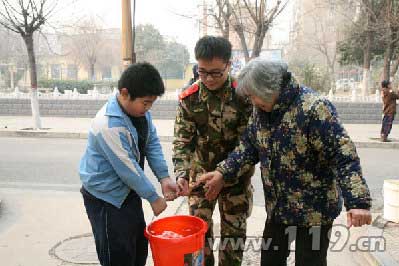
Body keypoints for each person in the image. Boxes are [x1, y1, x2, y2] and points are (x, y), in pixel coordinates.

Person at [199, 58, 372, 266]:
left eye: (254, 96)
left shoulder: (314, 109)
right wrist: (222, 173)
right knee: (270, 260)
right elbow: (248, 147)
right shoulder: (262, 111)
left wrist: (358, 203)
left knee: (310, 262)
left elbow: (343, 155)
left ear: (269, 89)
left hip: (314, 213)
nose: (253, 102)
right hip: (279, 209)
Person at [79, 62, 178, 266]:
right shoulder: (107, 125)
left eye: (152, 103)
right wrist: (153, 197)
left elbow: (152, 144)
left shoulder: (141, 114)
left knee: (138, 247)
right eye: (145, 102)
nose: (148, 108)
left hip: (128, 191)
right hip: (105, 197)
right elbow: (128, 169)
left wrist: (164, 177)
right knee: (117, 254)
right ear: (125, 93)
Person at [173, 36, 254, 266]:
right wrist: (181, 174)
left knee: (233, 241)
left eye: (216, 72)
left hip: (235, 179)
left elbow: (249, 144)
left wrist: (224, 174)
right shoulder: (190, 98)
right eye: (202, 71)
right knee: (198, 241)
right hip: (199, 178)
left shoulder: (244, 97)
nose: (208, 78)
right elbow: (182, 141)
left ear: (229, 65)